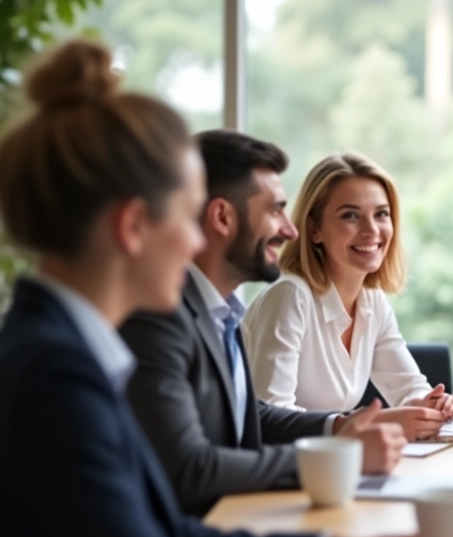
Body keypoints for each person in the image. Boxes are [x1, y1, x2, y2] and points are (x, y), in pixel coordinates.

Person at [0, 39, 445, 537]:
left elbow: (165, 532)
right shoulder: (55, 370)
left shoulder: (69, 348)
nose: (197, 246)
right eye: (189, 219)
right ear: (132, 227)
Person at [119, 130, 406, 516]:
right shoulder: (160, 322)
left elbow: (253, 416)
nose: (290, 230)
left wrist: (339, 429)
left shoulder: (223, 315)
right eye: (274, 211)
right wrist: (340, 457)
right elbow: (191, 470)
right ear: (222, 216)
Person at [243, 152, 453, 441]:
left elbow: (409, 388)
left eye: (381, 214)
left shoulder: (372, 301)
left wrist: (429, 404)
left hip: (328, 468)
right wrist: (366, 425)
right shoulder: (289, 297)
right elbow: (270, 420)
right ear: (315, 229)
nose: (372, 230)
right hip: (271, 473)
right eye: (351, 215)